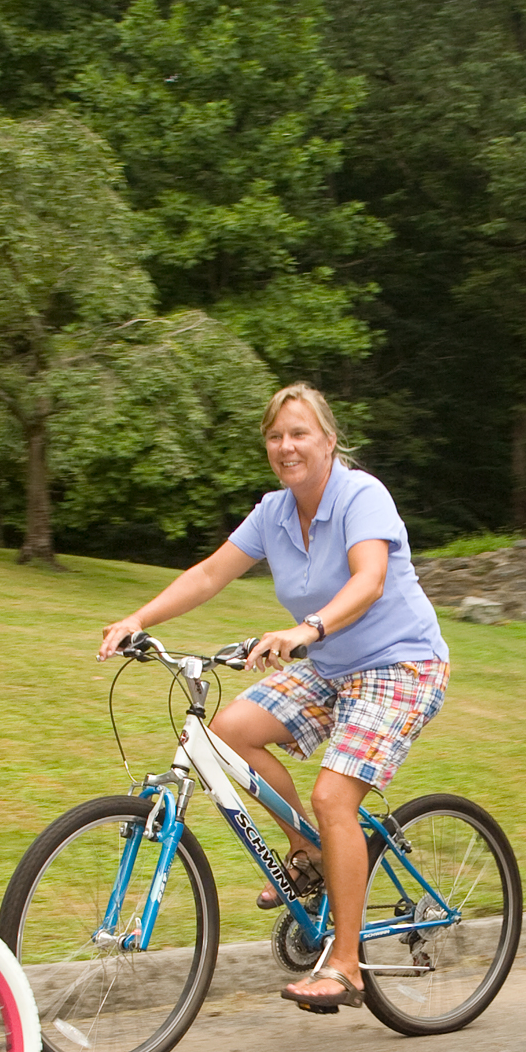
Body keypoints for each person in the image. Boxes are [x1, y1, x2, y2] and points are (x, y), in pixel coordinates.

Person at [97, 383, 451, 1015]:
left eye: (299, 433)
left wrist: (304, 630)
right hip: (334, 666)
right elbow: (209, 573)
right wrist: (137, 619)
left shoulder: (361, 495)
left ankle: (345, 966)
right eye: (275, 436)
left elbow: (369, 580)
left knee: (333, 794)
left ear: (328, 440)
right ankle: (307, 850)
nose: (286, 446)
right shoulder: (275, 512)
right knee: (224, 730)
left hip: (402, 665)